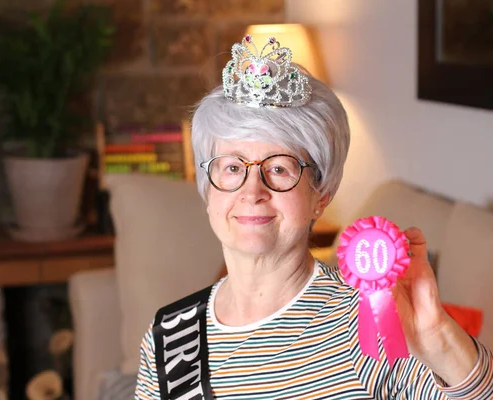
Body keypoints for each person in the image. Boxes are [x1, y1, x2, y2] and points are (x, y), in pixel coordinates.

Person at [134, 35, 493, 399]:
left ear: (321, 196)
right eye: (231, 167)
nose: (252, 191)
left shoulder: (376, 317)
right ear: (208, 191)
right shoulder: (170, 334)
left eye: (279, 168)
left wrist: (438, 339)